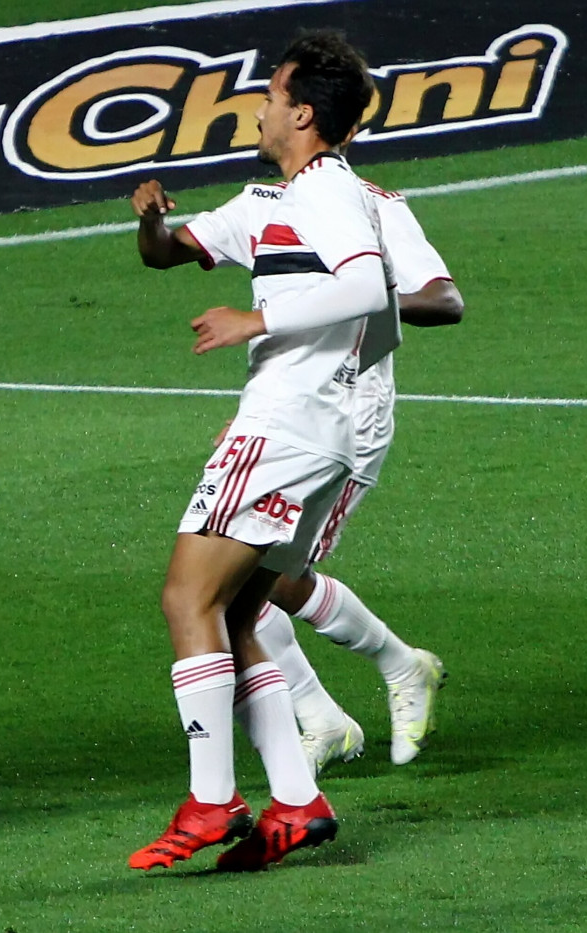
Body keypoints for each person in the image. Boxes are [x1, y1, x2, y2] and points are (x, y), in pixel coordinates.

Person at [127, 31, 391, 873]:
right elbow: (170, 254)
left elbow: (365, 285)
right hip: (312, 429)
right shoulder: (272, 200)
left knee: (185, 596)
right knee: (240, 613)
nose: (263, 106)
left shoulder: (327, 192)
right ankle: (297, 798)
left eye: (273, 95)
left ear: (304, 113)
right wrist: (155, 224)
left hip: (287, 421)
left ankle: (211, 801)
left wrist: (254, 320)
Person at [184, 146, 464, 773]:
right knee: (236, 579)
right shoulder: (266, 202)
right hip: (288, 409)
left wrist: (343, 309)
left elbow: (444, 300)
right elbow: (171, 248)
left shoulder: (373, 206)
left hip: (348, 410)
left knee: (254, 581)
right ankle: (327, 717)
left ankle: (389, 670)